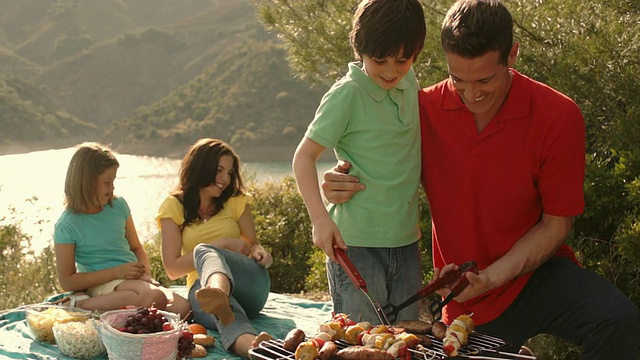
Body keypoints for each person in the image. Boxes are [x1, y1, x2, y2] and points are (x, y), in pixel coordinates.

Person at [322, 0, 640, 358]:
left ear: (513, 55)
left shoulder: (559, 116)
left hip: (537, 274)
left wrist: (493, 276)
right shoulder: (421, 109)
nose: (471, 94)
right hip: (465, 295)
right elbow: (378, 160)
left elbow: (556, 224)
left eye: (485, 80)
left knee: (621, 322)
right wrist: (340, 178)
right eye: (458, 79)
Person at [292, 0, 426, 324]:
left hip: (407, 241)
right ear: (360, 49)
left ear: (415, 53)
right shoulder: (347, 94)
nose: (391, 71)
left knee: (407, 343)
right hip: (355, 246)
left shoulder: (411, 83)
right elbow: (304, 157)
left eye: (402, 59)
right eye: (379, 60)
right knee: (362, 341)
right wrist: (320, 221)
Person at [156, 138, 274, 359]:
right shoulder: (173, 206)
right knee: (224, 312)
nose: (224, 179)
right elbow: (172, 269)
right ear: (201, 167)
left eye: (229, 173)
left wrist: (261, 254)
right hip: (201, 291)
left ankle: (219, 292)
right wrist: (219, 244)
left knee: (204, 250)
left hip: (249, 283)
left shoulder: (236, 200)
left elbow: (253, 244)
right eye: (219, 170)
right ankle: (254, 349)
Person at [53, 142, 190, 319]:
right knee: (153, 297)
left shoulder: (118, 206)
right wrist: (116, 273)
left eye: (113, 182)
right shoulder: (67, 224)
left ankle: (114, 311)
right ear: (85, 183)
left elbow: (136, 248)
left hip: (132, 280)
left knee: (183, 308)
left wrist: (146, 274)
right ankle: (79, 305)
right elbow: (67, 280)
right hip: (103, 284)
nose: (112, 189)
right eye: (107, 183)